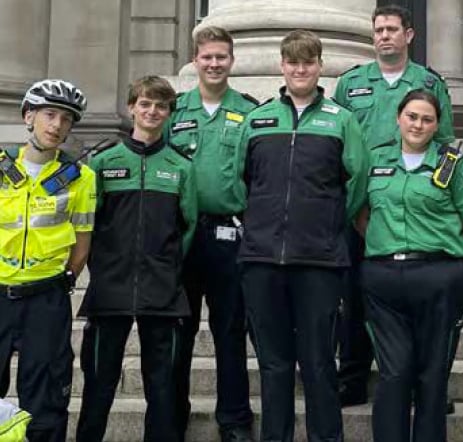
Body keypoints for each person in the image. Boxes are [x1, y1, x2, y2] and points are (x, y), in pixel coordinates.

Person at [237, 30, 368, 442]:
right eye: (292, 62)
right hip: (261, 260)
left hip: (320, 261)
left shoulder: (341, 119)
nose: (299, 69)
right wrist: (262, 222)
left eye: (307, 62)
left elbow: (358, 181)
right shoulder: (257, 120)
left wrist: (327, 223)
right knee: (274, 366)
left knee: (318, 363)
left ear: (319, 67)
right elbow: (241, 183)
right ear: (282, 65)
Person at [333, 3, 456, 409]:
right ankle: (351, 378)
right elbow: (339, 145)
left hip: (414, 209)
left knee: (418, 302)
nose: (384, 35)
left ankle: (425, 383)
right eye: (379, 29)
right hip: (361, 204)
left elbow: (444, 146)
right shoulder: (351, 84)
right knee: (354, 297)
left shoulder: (429, 82)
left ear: (409, 35)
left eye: (391, 29)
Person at [75, 75, 198, 442]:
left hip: (162, 292)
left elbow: (188, 226)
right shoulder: (103, 162)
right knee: (98, 384)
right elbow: (89, 223)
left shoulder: (181, 167)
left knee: (162, 389)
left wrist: (166, 264)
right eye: (145, 104)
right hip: (109, 289)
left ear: (169, 113)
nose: (152, 111)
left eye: (161, 106)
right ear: (132, 108)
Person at [360, 89, 463, 442]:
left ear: (436, 125)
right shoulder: (374, 159)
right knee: (394, 372)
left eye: (427, 119)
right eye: (412, 116)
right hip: (383, 279)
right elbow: (361, 212)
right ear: (399, 118)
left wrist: (446, 252)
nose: (418, 124)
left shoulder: (452, 163)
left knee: (432, 377)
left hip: (439, 279)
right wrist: (383, 243)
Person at [168, 25, 257, 442]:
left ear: (232, 61)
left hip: (229, 235)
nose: (215, 63)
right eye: (207, 56)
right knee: (178, 332)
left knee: (230, 330)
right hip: (182, 238)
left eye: (222, 56)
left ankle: (235, 418)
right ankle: (172, 412)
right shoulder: (174, 110)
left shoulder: (251, 111)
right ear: (195, 60)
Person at [0, 79, 94, 442]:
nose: (57, 125)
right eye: (49, 115)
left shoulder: (79, 178)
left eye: (66, 119)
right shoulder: (2, 168)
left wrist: (61, 279)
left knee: (47, 398)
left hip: (46, 298)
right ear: (29, 117)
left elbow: (82, 243)